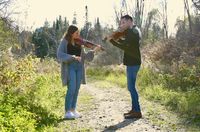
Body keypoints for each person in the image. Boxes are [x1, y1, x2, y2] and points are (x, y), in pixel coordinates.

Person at [57, 25, 101, 119]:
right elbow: (59, 54)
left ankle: (73, 109)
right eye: (76, 33)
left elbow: (86, 57)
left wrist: (94, 50)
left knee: (76, 89)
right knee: (71, 88)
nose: (78, 34)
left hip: (79, 67)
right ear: (71, 33)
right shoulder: (65, 42)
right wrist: (72, 57)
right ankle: (67, 111)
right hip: (70, 67)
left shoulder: (79, 43)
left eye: (79, 33)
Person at [109, 15, 142, 119]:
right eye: (121, 23)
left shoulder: (133, 32)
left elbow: (124, 46)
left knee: (131, 87)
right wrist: (116, 39)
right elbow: (125, 42)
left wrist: (112, 41)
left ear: (129, 21)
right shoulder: (133, 30)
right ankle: (134, 109)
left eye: (123, 22)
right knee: (131, 87)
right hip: (132, 62)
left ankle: (137, 111)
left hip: (133, 62)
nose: (121, 25)